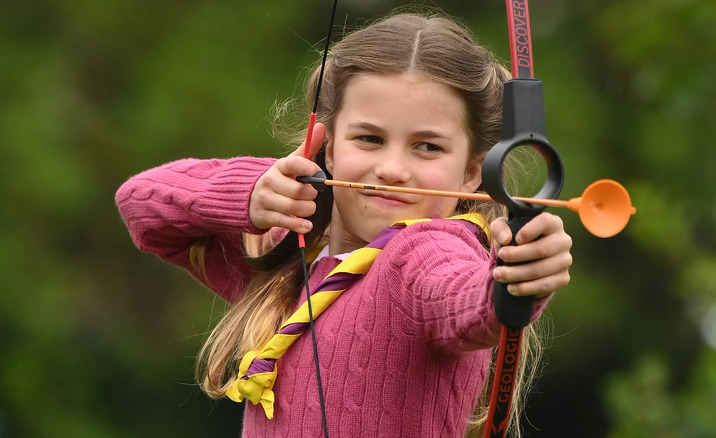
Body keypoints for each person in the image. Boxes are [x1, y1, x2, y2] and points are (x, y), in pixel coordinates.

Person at [116, 12, 572, 438]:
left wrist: (516, 278)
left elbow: (466, 300)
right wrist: (250, 192)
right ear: (329, 149)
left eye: (428, 147)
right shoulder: (287, 259)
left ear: (473, 173)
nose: (392, 168)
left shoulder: (427, 251)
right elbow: (141, 206)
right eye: (369, 139)